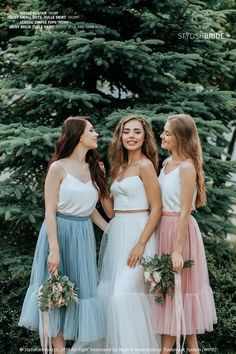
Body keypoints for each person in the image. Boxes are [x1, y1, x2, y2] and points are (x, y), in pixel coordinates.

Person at [19, 116, 108, 353]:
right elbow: (49, 210)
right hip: (58, 233)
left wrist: (112, 231)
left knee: (79, 292)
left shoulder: (95, 168)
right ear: (78, 135)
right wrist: (54, 249)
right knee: (56, 291)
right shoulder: (57, 168)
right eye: (92, 130)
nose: (96, 134)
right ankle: (59, 351)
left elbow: (91, 211)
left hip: (83, 235)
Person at [98, 114, 162, 354]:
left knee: (122, 296)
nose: (131, 136)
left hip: (139, 233)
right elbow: (112, 212)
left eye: (137, 132)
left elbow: (157, 208)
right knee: (115, 296)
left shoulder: (145, 165)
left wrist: (141, 244)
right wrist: (102, 184)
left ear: (144, 136)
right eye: (127, 132)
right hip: (120, 233)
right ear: (120, 136)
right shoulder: (120, 167)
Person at [156, 114, 217, 354]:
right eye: (164, 131)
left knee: (178, 293)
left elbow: (184, 212)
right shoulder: (165, 163)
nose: (162, 135)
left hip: (180, 233)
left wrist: (177, 250)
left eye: (167, 133)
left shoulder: (187, 167)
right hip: (163, 229)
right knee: (173, 294)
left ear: (180, 137)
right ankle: (193, 350)